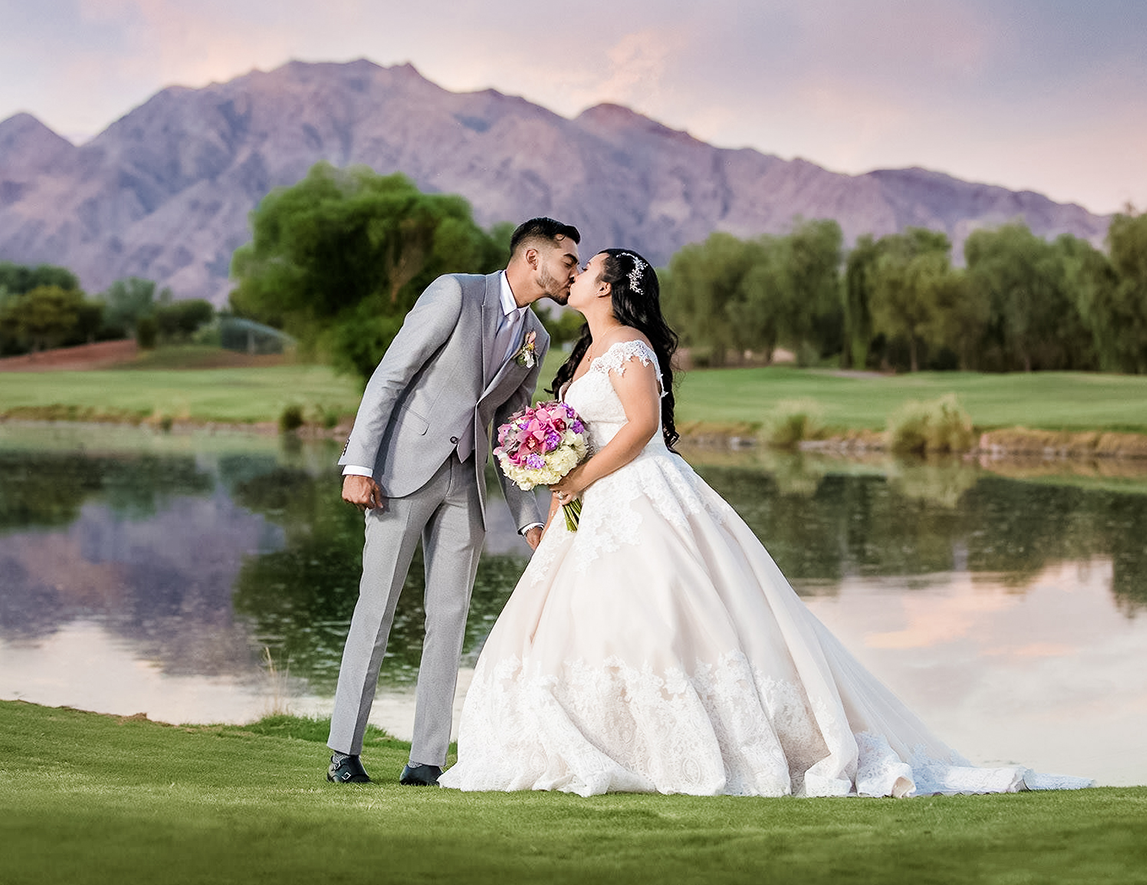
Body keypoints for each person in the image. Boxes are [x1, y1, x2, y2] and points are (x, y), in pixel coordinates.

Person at [440, 249, 1093, 797]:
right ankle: (602, 738)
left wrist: (579, 477)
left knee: (667, 617)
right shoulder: (586, 352)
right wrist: (560, 492)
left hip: (643, 497)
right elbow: (580, 438)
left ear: (607, 287)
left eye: (585, 270)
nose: (573, 276)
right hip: (593, 506)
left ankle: (710, 741)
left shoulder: (631, 349)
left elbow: (640, 428)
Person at [326, 218, 581, 787]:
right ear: (533, 257)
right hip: (399, 473)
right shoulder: (455, 292)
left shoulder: (535, 337)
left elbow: (517, 433)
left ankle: (426, 760)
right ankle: (344, 750)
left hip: (465, 484)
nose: (575, 274)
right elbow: (390, 376)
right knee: (377, 611)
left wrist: (531, 520)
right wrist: (359, 464)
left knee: (449, 619)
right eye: (569, 261)